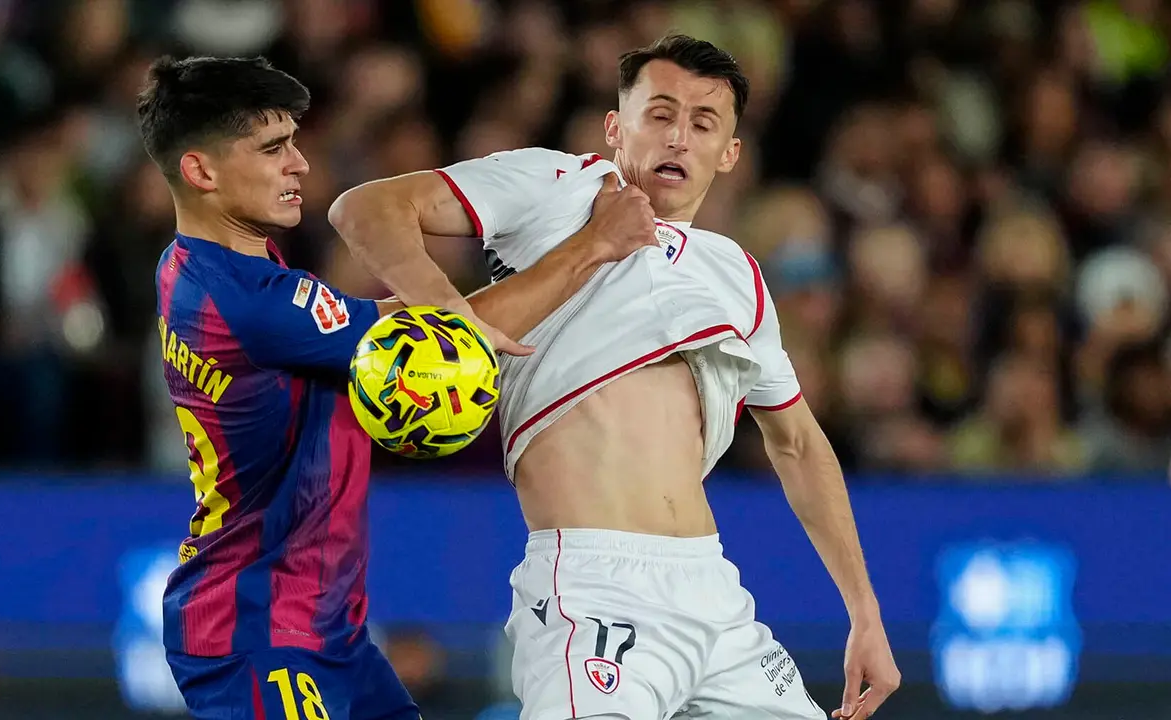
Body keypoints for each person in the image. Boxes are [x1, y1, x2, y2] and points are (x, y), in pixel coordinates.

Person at [329, 35, 900, 720]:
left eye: (702, 123)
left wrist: (864, 613)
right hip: (592, 588)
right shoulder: (555, 186)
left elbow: (798, 446)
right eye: (658, 114)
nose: (678, 138)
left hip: (713, 594)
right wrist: (451, 321)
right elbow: (364, 210)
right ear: (614, 127)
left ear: (729, 154)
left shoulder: (736, 274)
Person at [137, 55, 658, 720]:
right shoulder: (245, 298)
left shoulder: (193, 263)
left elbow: (401, 323)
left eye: (293, 141)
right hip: (258, 633)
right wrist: (592, 246)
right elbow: (439, 348)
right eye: (272, 148)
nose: (298, 163)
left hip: (321, 628)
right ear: (200, 171)